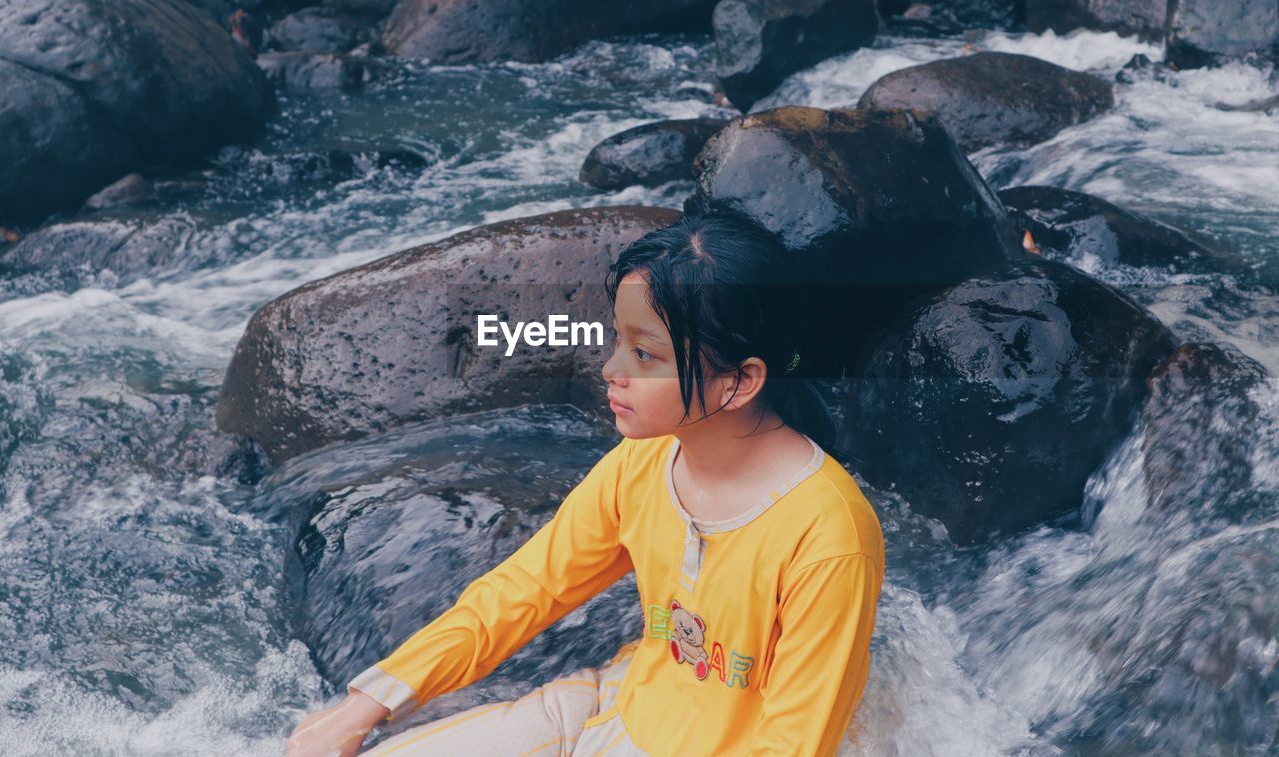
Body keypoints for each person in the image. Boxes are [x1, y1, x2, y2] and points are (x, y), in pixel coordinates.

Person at [286, 209, 885, 756]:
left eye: (644, 354)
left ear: (738, 382)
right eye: (618, 339)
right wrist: (366, 705)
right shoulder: (644, 463)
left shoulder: (829, 534)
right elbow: (524, 590)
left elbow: (794, 743)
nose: (610, 369)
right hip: (611, 707)